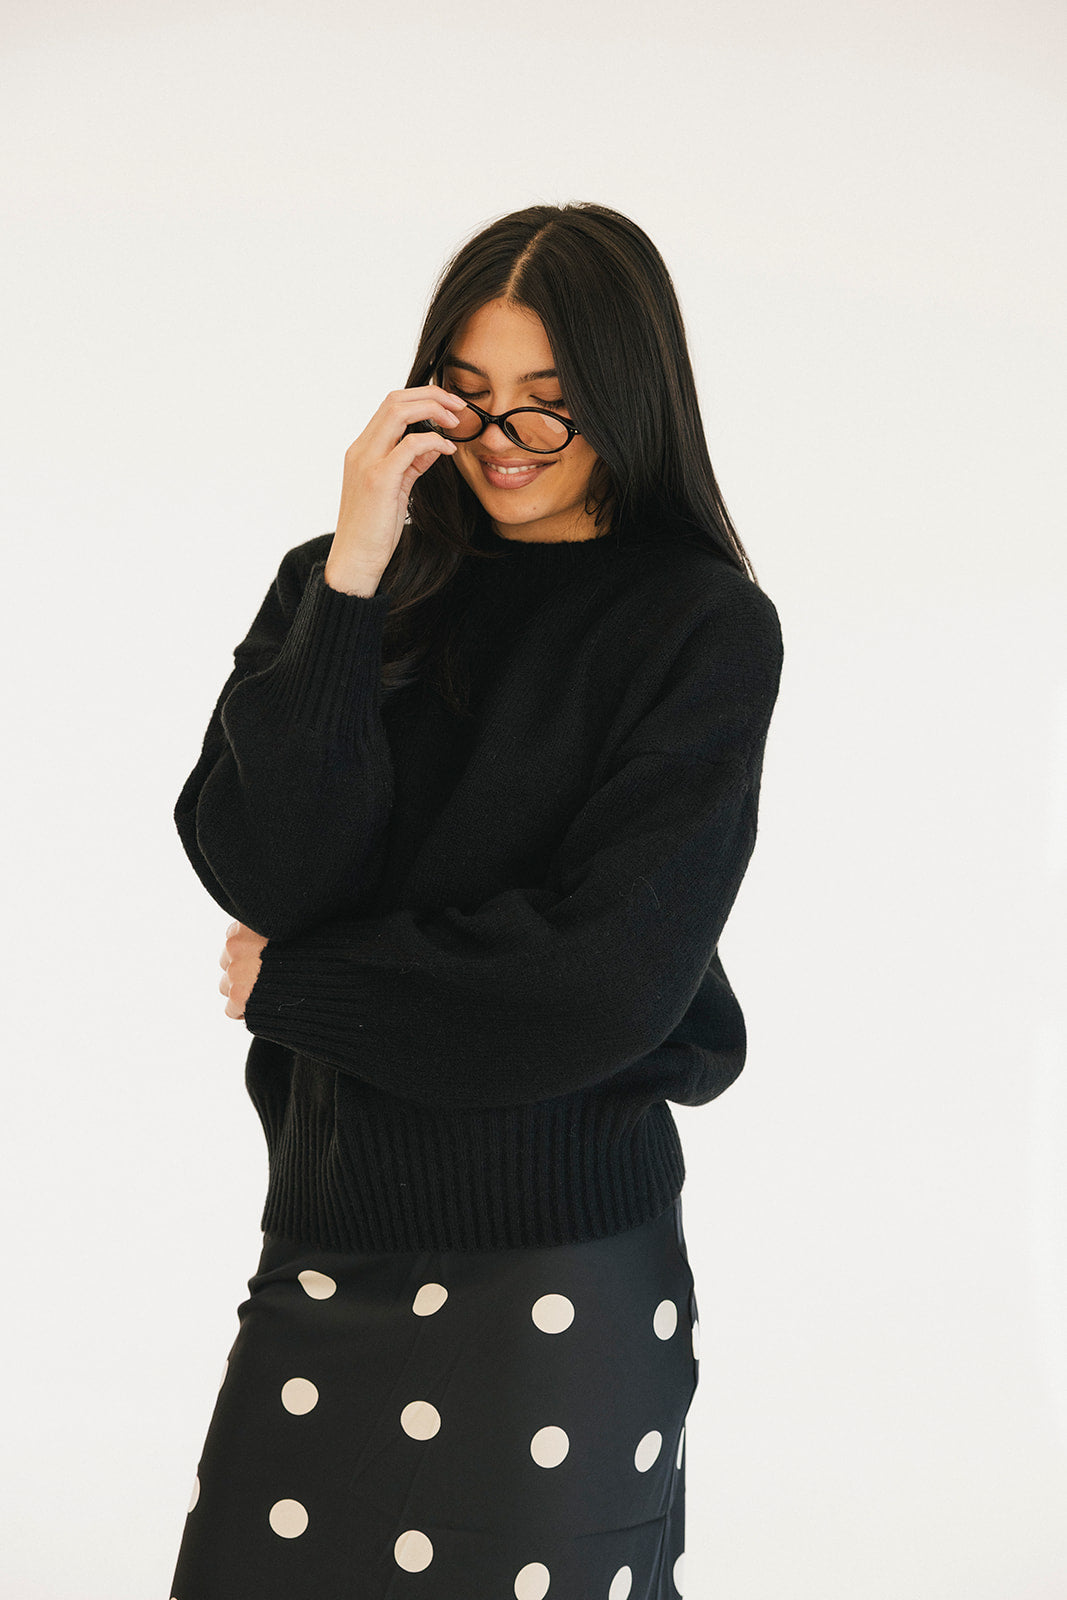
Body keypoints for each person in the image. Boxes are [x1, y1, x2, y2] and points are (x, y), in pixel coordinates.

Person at [166, 200, 784, 1600]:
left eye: (550, 404)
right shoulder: (342, 587)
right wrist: (354, 568)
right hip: (325, 1244)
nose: (504, 439)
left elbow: (599, 983)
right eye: (469, 394)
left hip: (561, 1275)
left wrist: (304, 985)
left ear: (629, 402)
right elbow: (270, 867)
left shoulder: (700, 627)